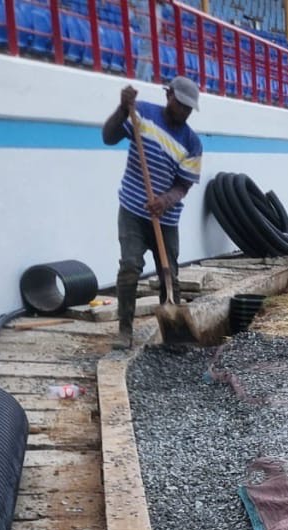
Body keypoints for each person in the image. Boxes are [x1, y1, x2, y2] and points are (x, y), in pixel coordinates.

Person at [102, 76, 203, 350]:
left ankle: (174, 335)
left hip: (165, 218)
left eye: (188, 109)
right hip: (133, 209)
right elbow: (108, 137)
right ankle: (125, 331)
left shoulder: (192, 142)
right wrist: (123, 109)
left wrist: (166, 200)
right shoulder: (142, 114)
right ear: (168, 95)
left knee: (168, 273)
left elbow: (184, 185)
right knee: (130, 267)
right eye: (180, 105)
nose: (183, 112)